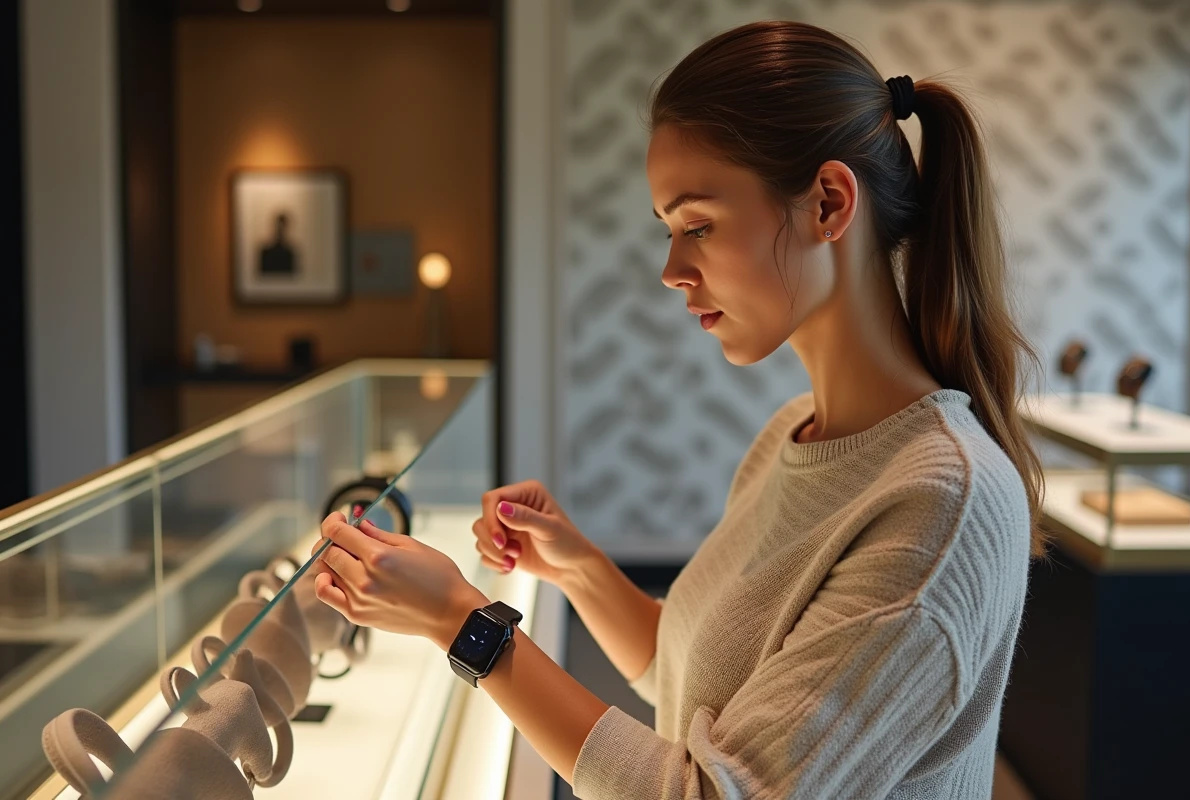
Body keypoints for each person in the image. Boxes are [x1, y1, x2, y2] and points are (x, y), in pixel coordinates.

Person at [310, 20, 1043, 799]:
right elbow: (693, 678)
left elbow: (713, 790)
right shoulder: (790, 435)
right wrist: (579, 567)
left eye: (697, 225)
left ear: (829, 203)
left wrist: (464, 624)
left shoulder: (944, 501)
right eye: (667, 230)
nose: (671, 270)